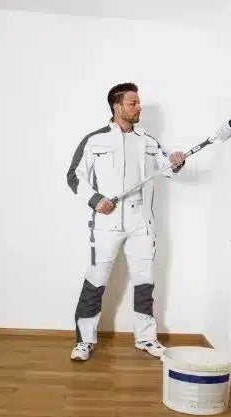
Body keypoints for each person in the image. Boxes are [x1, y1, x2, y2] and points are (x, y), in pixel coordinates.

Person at [66, 82, 186, 361]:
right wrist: (96, 199)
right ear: (116, 106)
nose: (138, 107)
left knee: (144, 282)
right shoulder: (95, 140)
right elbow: (74, 175)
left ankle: (146, 338)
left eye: (138, 102)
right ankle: (84, 341)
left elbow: (167, 168)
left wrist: (177, 161)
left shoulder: (148, 141)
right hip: (106, 223)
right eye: (133, 103)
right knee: (95, 281)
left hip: (141, 223)